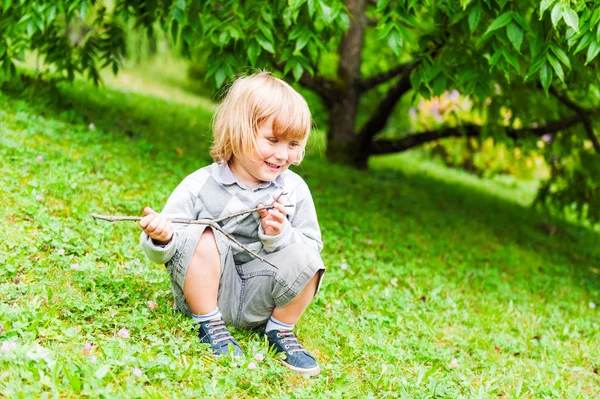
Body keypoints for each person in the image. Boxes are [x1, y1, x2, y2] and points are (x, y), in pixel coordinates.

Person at [138, 71, 325, 377]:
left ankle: (280, 330)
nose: (282, 154)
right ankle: (210, 325)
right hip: (206, 294)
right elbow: (167, 249)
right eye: (273, 140)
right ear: (239, 132)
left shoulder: (293, 190)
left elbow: (311, 254)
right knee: (205, 234)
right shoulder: (200, 185)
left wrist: (280, 235)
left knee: (306, 255)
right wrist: (161, 238)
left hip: (261, 301)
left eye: (293, 143)